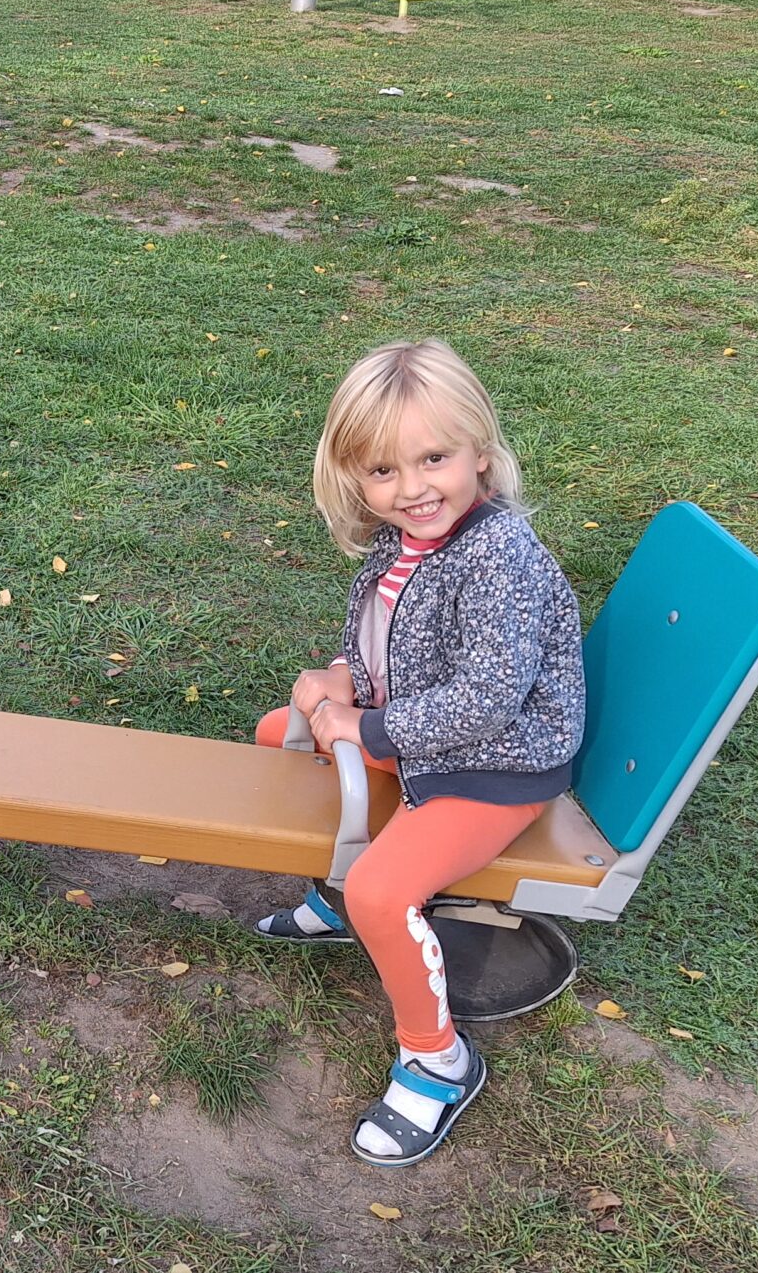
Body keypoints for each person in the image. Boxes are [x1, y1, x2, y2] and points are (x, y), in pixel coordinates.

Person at [251, 339, 585, 1166]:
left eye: (434, 458)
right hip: (429, 738)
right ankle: (339, 898)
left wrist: (365, 729)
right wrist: (342, 678)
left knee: (386, 887)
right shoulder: (403, 539)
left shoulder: (498, 555)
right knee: (277, 736)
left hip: (496, 767)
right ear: (355, 477)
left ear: (480, 451)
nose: (412, 487)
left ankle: (438, 1060)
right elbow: (390, 642)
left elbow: (487, 699)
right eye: (384, 470)